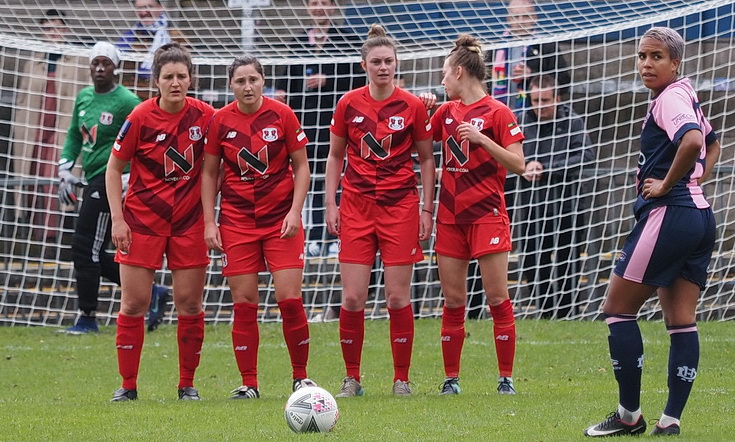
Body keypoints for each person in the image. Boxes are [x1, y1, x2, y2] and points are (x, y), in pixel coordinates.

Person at [584, 27, 720, 437]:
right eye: (642, 56)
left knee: (617, 310)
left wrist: (666, 185)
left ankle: (629, 416)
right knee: (681, 319)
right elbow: (713, 142)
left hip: (671, 214)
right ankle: (671, 421)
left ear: (675, 62)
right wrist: (694, 181)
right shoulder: (685, 93)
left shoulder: (671, 97)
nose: (646, 63)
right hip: (698, 215)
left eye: (656, 57)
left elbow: (695, 140)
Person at [325, 24, 435, 397]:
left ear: (396, 64)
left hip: (400, 207)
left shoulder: (413, 105)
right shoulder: (348, 104)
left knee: (396, 298)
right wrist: (331, 202)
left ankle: (401, 379)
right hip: (356, 206)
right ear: (363, 65)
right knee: (353, 297)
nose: (383, 67)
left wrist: (426, 208)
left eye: (389, 61)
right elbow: (336, 155)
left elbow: (426, 159)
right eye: (376, 62)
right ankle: (351, 378)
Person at [202, 55, 316, 399]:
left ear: (263, 81)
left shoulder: (282, 114)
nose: (247, 86)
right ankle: (249, 383)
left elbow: (302, 168)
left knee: (290, 299)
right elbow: (209, 173)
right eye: (240, 81)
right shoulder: (220, 121)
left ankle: (301, 377)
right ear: (231, 85)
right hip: (237, 222)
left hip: (281, 220)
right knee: (245, 302)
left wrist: (295, 212)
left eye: (253, 79)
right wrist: (210, 221)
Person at [106, 42, 215, 402]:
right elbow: (113, 169)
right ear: (156, 80)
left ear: (191, 79)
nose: (175, 82)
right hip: (142, 221)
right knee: (134, 304)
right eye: (168, 76)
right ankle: (127, 386)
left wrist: (213, 213)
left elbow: (220, 167)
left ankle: (187, 384)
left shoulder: (206, 117)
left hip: (189, 223)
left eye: (181, 76)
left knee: (189, 304)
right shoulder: (139, 117)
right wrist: (119, 220)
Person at [419, 34, 525, 396]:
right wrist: (424, 108)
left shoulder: (498, 113)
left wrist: (484, 141)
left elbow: (519, 164)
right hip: (450, 218)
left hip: (487, 216)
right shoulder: (446, 113)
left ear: (460, 72)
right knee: (453, 301)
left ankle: (505, 379)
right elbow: (419, 141)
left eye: (445, 74)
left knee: (497, 297)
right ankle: (451, 379)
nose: (442, 80)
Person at [56, 41, 169, 334]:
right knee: (95, 251)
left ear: (115, 66)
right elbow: (73, 135)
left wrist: (131, 176)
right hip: (92, 176)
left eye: (106, 62)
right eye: (95, 63)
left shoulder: (127, 101)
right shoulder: (83, 98)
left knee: (83, 248)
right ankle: (152, 291)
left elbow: (148, 135)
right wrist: (65, 167)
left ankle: (88, 316)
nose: (100, 68)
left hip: (113, 180)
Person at [274, 0, 366, 258]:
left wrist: (329, 79)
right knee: (312, 179)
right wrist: (281, 93)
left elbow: (360, 79)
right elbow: (287, 78)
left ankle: (338, 234)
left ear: (334, 7)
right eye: (314, 3)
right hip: (307, 124)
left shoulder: (346, 40)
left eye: (324, 3)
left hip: (337, 123)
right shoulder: (299, 41)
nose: (319, 7)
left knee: (339, 179)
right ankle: (315, 235)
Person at [511, 74, 594, 319]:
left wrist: (547, 168)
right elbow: (506, 155)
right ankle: (544, 311)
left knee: (568, 259)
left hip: (567, 203)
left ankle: (568, 312)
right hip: (531, 205)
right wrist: (524, 166)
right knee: (532, 258)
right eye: (535, 101)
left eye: (545, 100)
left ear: (557, 98)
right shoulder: (520, 121)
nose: (540, 106)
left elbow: (586, 156)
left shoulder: (572, 122)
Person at [11, 9, 87, 240]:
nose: (53, 32)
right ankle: (34, 235)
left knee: (61, 176)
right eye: (48, 28)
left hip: (64, 129)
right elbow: (23, 97)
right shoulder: (33, 63)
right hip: (34, 130)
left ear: (66, 29)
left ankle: (60, 234)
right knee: (33, 177)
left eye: (57, 27)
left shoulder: (78, 60)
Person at [488, 0, 571, 110]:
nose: (521, 21)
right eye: (516, 17)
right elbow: (484, 82)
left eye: (526, 16)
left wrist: (532, 75)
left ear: (535, 18)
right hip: (499, 113)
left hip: (533, 116)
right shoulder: (496, 48)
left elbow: (564, 81)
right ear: (508, 19)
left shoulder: (546, 46)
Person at [117, 0, 187, 98]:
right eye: (140, 8)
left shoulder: (174, 36)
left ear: (160, 7)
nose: (144, 12)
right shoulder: (129, 37)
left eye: (149, 7)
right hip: (134, 98)